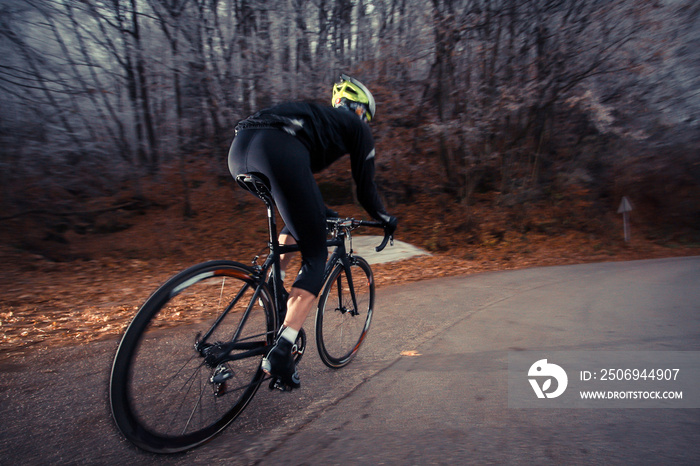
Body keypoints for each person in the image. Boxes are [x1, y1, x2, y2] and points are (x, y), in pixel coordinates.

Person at [227, 74, 397, 389]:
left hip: (239, 149)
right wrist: (385, 218)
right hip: (276, 149)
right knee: (316, 254)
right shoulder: (357, 127)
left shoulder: (316, 118)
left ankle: (274, 288)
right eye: (367, 116)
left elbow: (301, 190)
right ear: (360, 110)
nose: (365, 122)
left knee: (300, 223)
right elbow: (365, 189)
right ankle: (281, 352)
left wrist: (322, 212)